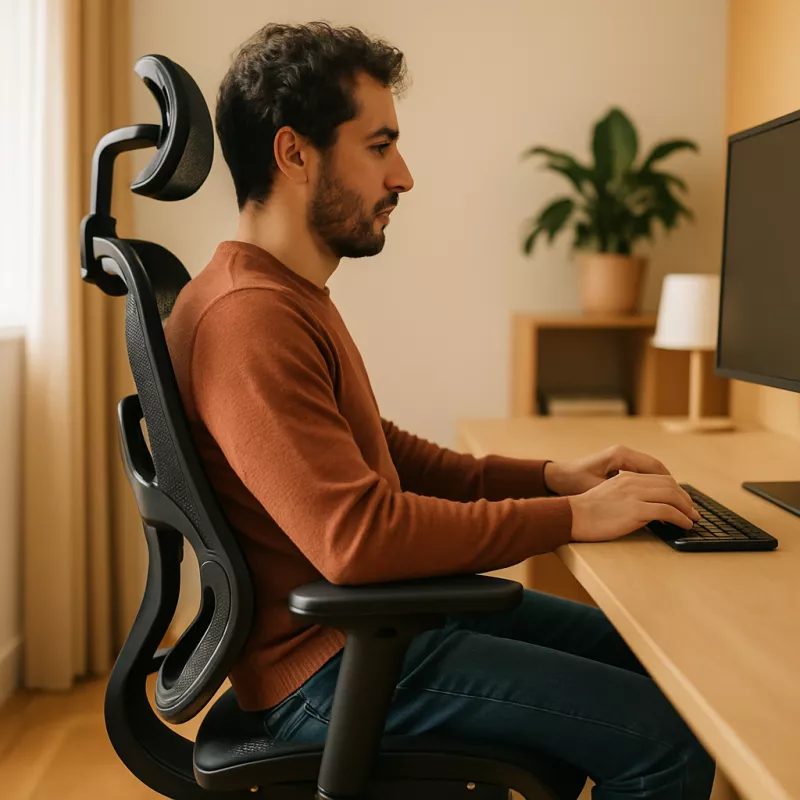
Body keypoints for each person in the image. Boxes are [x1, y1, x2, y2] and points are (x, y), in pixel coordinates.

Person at [164, 21, 715, 799]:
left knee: (654, 655)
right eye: (380, 146)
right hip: (331, 671)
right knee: (667, 741)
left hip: (373, 628)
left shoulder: (279, 295)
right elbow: (358, 538)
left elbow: (382, 454)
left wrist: (552, 479)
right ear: (294, 154)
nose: (405, 177)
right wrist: (572, 519)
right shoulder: (248, 318)